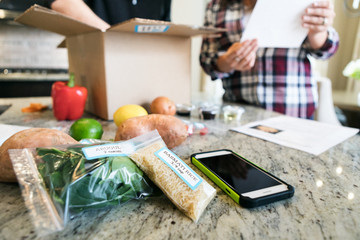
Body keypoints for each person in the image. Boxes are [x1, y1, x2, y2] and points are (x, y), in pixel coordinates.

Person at [199, 0, 339, 119]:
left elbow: (328, 50)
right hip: (238, 113)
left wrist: (318, 32)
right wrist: (227, 61)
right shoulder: (217, 6)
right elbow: (207, 60)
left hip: (294, 112)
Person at [45, 0, 172, 30]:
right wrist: (113, 36)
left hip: (145, 67)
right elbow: (61, 2)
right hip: (96, 62)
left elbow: (165, 25)